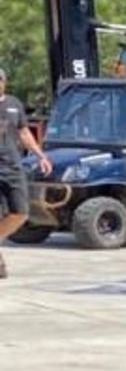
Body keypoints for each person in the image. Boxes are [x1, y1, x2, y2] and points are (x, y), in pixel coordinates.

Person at [0, 66, 55, 279]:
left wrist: (41, 155)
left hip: (12, 167)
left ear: (5, 82)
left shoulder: (14, 104)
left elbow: (24, 132)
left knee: (20, 213)